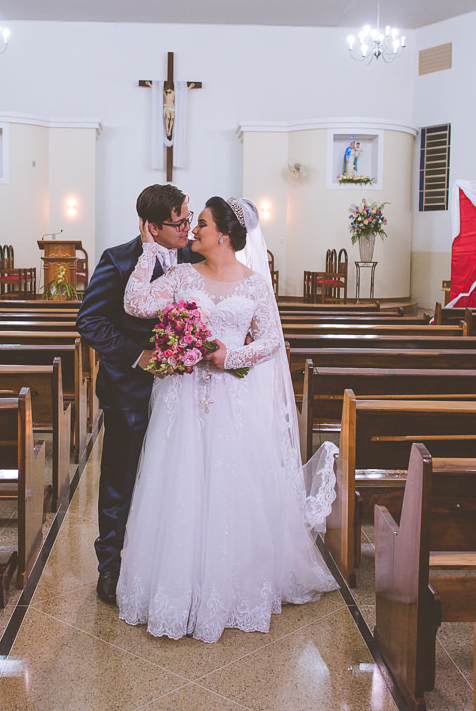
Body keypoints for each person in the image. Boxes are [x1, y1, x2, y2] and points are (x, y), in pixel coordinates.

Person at [116, 196, 339, 643]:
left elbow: (272, 341)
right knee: (179, 485)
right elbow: (136, 304)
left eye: (200, 223)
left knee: (230, 487)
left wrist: (229, 355)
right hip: (181, 398)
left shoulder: (255, 285)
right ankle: (177, 587)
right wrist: (149, 251)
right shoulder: (180, 275)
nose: (192, 230)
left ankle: (231, 588)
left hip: (232, 399)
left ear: (223, 234)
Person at [76, 184, 202, 606]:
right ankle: (109, 564)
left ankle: (165, 561)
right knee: (120, 477)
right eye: (179, 222)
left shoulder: (194, 259)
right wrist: (138, 355)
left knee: (173, 476)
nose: (188, 228)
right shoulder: (117, 260)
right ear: (152, 226)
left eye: (189, 218)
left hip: (182, 391)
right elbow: (90, 322)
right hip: (129, 389)